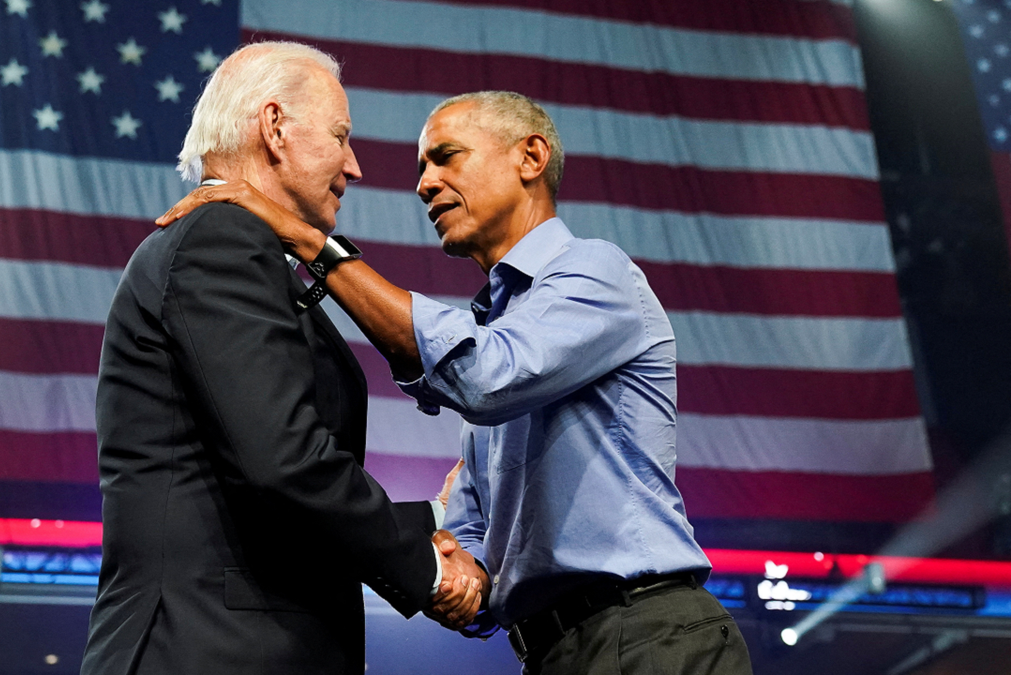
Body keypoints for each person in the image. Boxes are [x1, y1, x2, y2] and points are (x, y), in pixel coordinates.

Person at [158, 91, 754, 674]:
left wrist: (313, 243)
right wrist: (443, 568)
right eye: (422, 168)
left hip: (647, 634)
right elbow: (472, 541)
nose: (424, 184)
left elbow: (485, 377)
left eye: (446, 157)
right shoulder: (500, 328)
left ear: (531, 158)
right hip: (554, 650)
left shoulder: (597, 273)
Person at [81, 42, 484, 675]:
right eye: (340, 135)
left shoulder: (246, 250)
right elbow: (283, 462)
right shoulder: (221, 238)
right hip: (208, 649)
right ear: (275, 128)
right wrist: (428, 563)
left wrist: (434, 520)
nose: (353, 165)